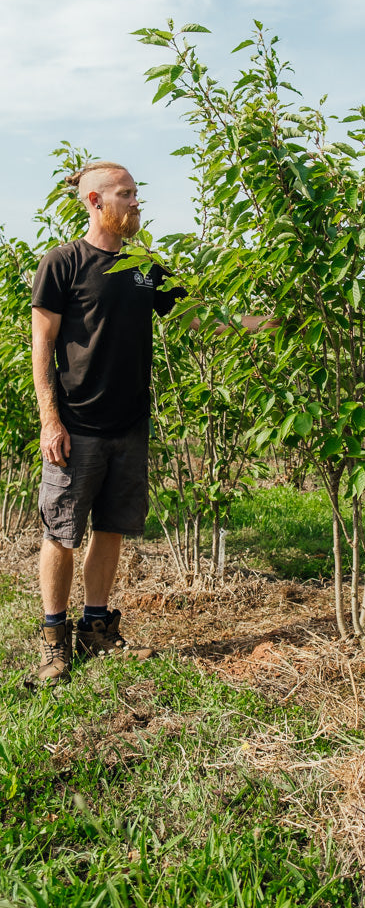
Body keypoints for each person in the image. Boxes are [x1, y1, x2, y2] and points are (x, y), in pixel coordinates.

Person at [31, 161, 269, 684]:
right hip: (76, 426)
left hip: (130, 427)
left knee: (111, 529)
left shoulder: (146, 267)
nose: (136, 202)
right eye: (126, 194)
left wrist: (270, 322)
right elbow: (42, 345)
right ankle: (53, 642)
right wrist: (50, 420)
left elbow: (202, 318)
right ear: (95, 201)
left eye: (137, 193)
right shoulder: (63, 263)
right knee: (62, 533)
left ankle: (96, 627)